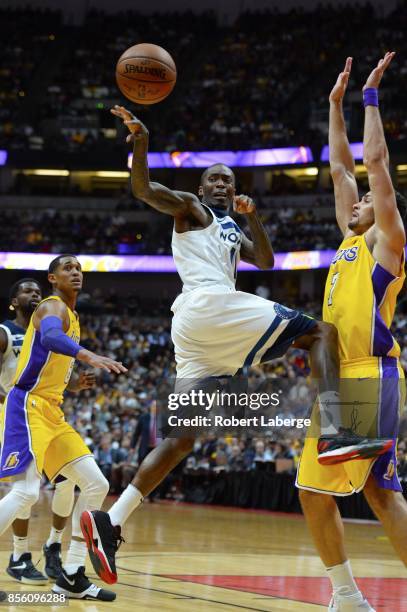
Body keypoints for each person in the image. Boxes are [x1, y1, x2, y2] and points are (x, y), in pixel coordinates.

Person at [80, 103, 388, 585]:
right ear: (202, 188)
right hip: (208, 305)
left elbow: (265, 261)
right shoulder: (192, 208)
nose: (223, 184)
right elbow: (144, 189)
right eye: (215, 179)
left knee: (184, 437)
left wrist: (254, 217)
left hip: (197, 332)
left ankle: (111, 521)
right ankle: (337, 427)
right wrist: (142, 143)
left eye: (229, 180)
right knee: (321, 332)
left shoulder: (229, 228)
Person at [297, 53, 407, 611]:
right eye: (357, 202)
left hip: (369, 375)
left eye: (367, 200)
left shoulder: (387, 242)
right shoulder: (347, 241)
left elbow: (375, 163)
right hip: (342, 382)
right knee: (368, 491)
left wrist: (368, 98)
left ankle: (347, 596)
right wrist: (334, 106)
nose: (358, 200)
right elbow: (342, 170)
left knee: (353, 491)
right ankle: (347, 596)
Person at [0, 255, 127, 600]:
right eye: (67, 268)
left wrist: (73, 383)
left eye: (78, 269)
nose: (75, 272)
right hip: (26, 406)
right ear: (52, 279)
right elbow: (52, 338)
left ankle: (71, 574)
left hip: (53, 412)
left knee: (96, 484)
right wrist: (89, 356)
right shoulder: (52, 308)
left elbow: (49, 362)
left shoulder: (73, 315)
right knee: (26, 492)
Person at [0, 278, 96, 584]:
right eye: (26, 291)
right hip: (13, 411)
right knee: (24, 489)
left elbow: (49, 375)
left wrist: (74, 384)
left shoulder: (45, 329)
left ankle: (53, 547)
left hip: (44, 410)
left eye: (37, 291)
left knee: (65, 480)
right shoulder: (4, 332)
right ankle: (19, 554)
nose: (35, 294)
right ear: (13, 301)